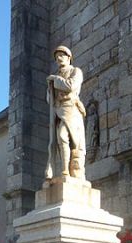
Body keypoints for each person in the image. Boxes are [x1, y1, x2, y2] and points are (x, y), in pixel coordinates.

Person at [45, 45, 86, 180]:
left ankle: (67, 170)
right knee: (60, 138)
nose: (59, 58)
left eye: (61, 55)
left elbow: (71, 86)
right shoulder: (55, 77)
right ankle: (64, 170)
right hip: (59, 112)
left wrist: (55, 80)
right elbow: (49, 100)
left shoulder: (76, 71)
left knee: (67, 138)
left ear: (69, 58)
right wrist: (49, 89)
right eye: (57, 57)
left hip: (71, 111)